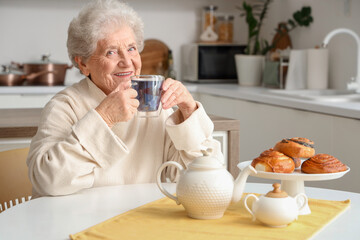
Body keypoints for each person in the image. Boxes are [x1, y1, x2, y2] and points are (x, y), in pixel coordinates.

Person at [26, 0, 222, 198]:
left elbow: (205, 181)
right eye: (111, 52)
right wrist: (105, 117)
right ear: (83, 63)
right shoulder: (65, 106)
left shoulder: (152, 104)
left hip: (141, 222)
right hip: (79, 223)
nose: (127, 62)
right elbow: (48, 182)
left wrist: (188, 114)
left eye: (131, 48)